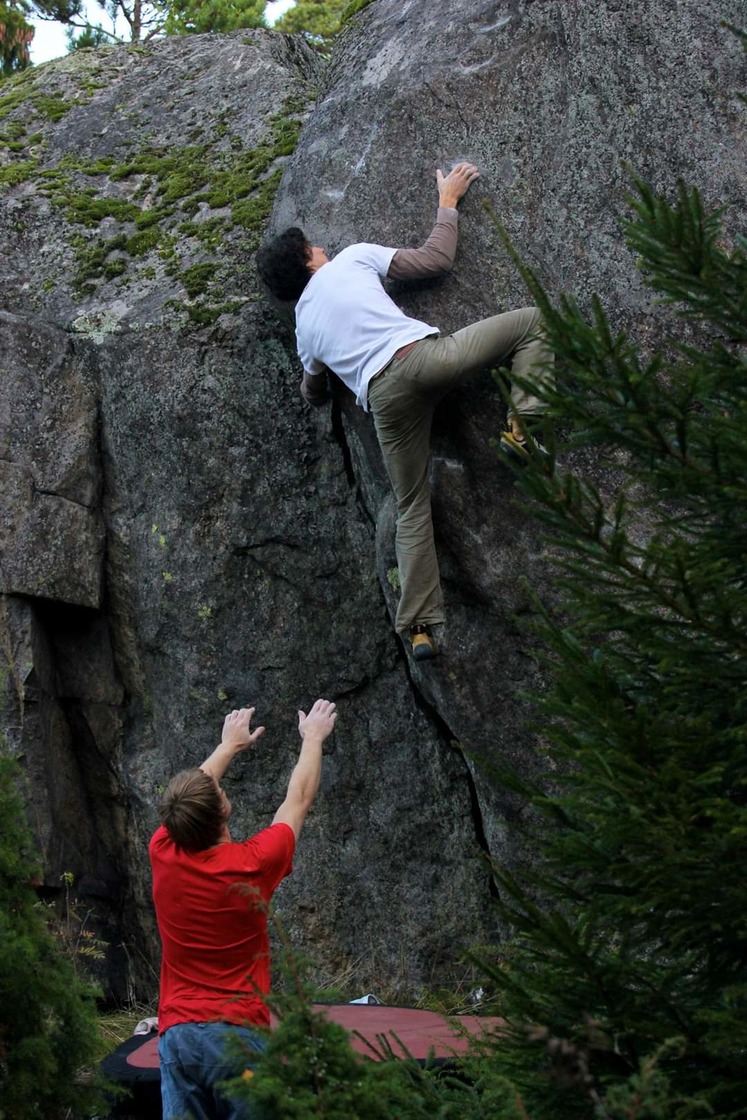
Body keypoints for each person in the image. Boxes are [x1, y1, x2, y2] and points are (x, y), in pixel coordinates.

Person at [257, 163, 554, 661]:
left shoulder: (304, 328)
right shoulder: (351, 260)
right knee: (533, 323)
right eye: (312, 246)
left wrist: (322, 370)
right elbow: (437, 260)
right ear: (308, 260)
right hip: (421, 358)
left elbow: (313, 393)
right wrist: (448, 203)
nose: (321, 248)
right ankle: (522, 428)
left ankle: (419, 626)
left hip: (385, 405)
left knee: (411, 504)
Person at [149, 698, 337, 1120]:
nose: (216, 782)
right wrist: (313, 738)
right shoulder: (251, 865)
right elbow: (298, 799)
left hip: (177, 1037)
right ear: (221, 812)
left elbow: (189, 799)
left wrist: (228, 746)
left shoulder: (162, 850)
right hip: (237, 1038)